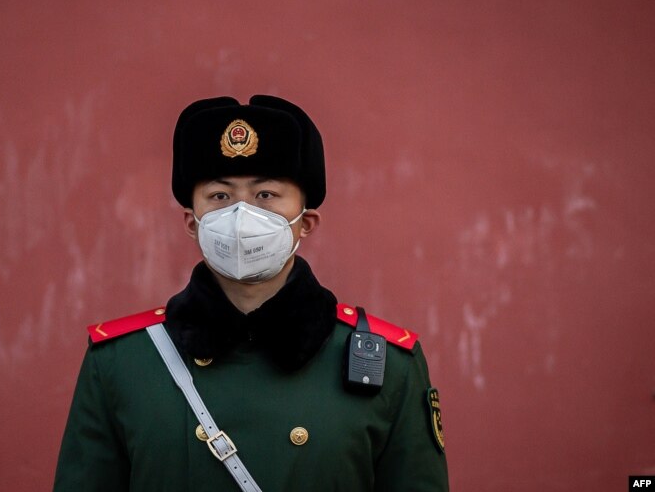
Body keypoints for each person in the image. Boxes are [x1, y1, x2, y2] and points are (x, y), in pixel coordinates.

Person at [53, 95, 449, 491]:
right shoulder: (124, 362)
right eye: (220, 196)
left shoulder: (386, 364)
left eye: (265, 196)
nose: (241, 216)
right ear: (192, 222)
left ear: (306, 222)